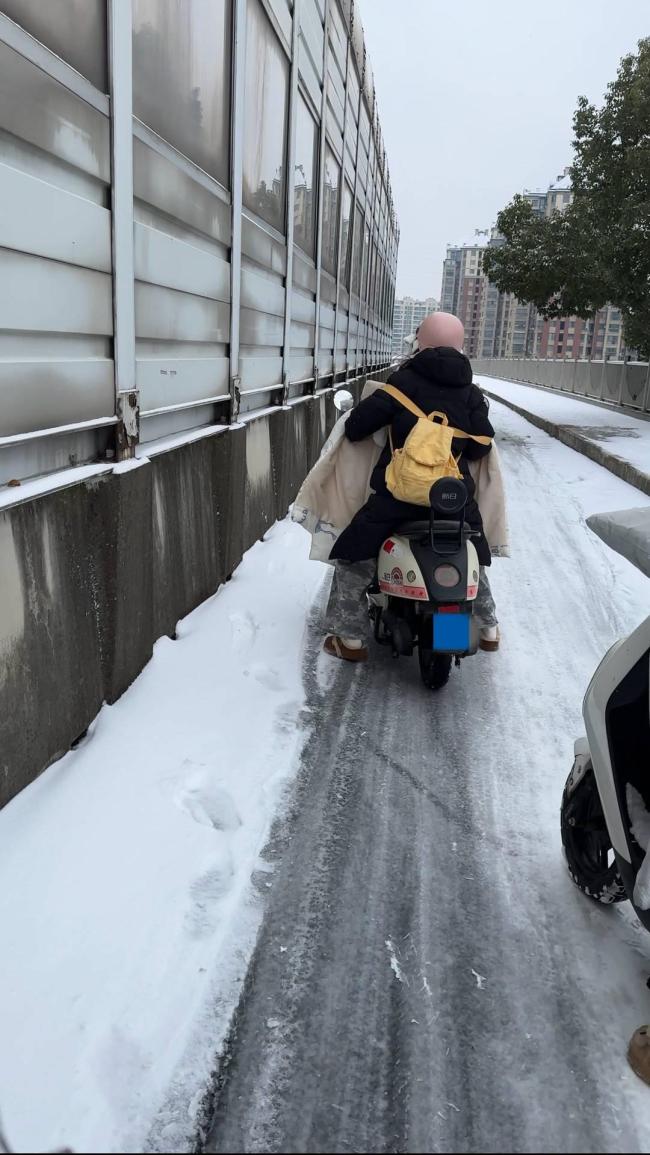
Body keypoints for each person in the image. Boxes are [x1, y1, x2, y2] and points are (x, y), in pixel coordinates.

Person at [324, 311, 499, 662]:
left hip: (398, 497)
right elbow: (481, 446)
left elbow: (357, 427)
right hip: (452, 499)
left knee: (354, 554)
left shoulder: (402, 382)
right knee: (470, 551)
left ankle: (350, 640)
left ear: (421, 342)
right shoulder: (471, 393)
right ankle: (489, 628)